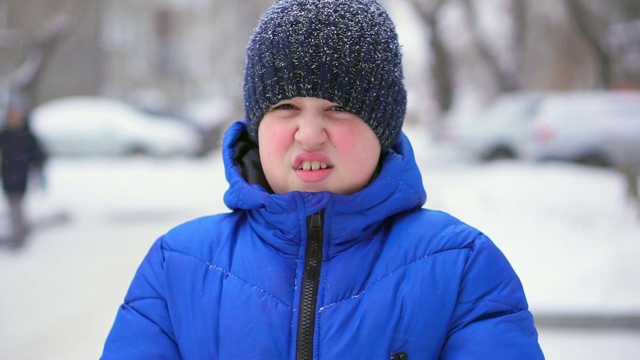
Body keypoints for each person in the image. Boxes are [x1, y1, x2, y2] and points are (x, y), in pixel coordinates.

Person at [102, 0, 544, 358]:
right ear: (257, 125)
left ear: (383, 128)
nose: (310, 134)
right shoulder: (177, 265)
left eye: (339, 109)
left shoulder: (462, 265)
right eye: (285, 108)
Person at [0, 90, 47, 249]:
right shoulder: (5, 134)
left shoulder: (26, 135)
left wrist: (38, 169)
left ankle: (19, 235)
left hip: (20, 177)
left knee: (17, 206)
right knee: (13, 205)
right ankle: (20, 230)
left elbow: (38, 155)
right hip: (7, 177)